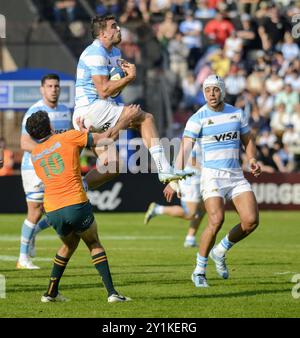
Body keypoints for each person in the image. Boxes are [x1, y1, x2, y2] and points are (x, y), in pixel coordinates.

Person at [25, 108, 140, 303]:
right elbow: (105, 138)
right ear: (50, 125)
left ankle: (50, 293)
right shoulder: (69, 137)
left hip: (52, 210)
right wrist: (124, 121)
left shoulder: (34, 155)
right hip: (75, 203)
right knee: (94, 243)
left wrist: (80, 133)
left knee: (68, 245)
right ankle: (112, 293)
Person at [72, 14, 193, 185]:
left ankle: (80, 188)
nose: (118, 29)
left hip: (99, 110)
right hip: (91, 109)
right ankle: (164, 168)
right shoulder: (95, 52)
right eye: (113, 26)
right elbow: (104, 90)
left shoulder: (115, 52)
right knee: (145, 118)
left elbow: (112, 92)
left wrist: (123, 78)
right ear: (103, 34)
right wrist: (129, 78)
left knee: (113, 166)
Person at [175, 74, 261, 287]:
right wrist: (173, 178)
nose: (211, 94)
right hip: (212, 176)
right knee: (216, 220)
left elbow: (248, 140)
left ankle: (220, 250)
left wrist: (252, 159)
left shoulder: (236, 114)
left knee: (251, 221)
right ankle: (199, 271)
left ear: (222, 91)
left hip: (235, 176)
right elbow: (184, 150)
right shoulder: (197, 118)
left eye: (215, 90)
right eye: (207, 90)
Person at [17, 74, 73, 269]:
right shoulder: (35, 111)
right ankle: (22, 259)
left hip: (55, 167)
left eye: (56, 86)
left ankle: (32, 234)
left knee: (59, 209)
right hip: (33, 167)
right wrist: (49, 152)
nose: (53, 89)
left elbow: (64, 140)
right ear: (42, 89)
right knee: (34, 211)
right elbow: (24, 142)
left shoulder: (66, 111)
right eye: (49, 86)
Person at [144, 143, 205, 248]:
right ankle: (158, 209)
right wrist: (205, 170)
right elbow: (186, 157)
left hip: (202, 178)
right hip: (190, 179)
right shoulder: (195, 133)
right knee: (190, 214)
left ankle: (190, 239)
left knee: (203, 208)